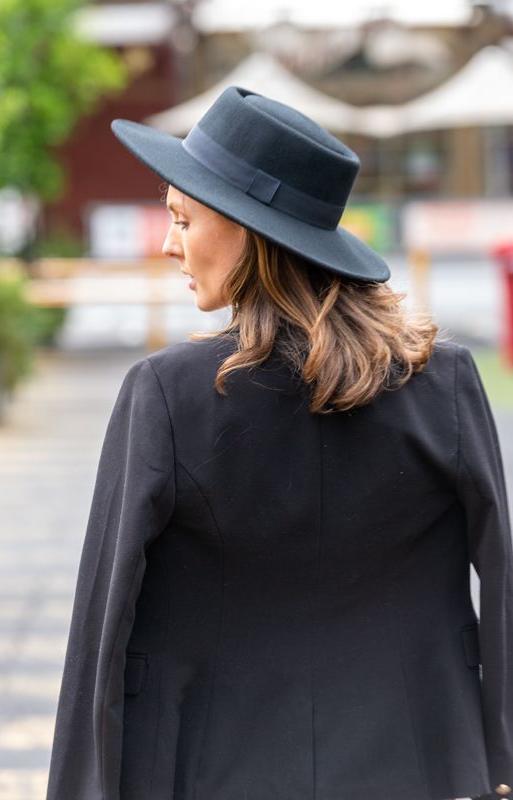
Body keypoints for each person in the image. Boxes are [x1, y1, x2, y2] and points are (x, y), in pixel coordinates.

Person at [45, 86, 513, 800]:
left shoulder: (166, 395)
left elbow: (100, 629)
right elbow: (502, 581)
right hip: (417, 761)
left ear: (247, 230)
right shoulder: (444, 383)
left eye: (182, 219)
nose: (169, 243)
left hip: (202, 766)